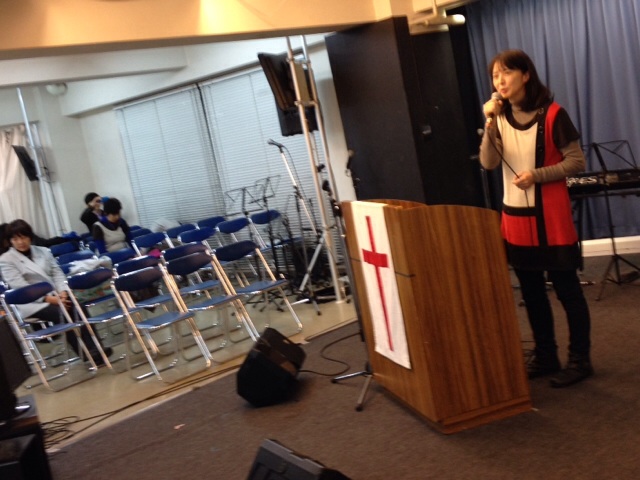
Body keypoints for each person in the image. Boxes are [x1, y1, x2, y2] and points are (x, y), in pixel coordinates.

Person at [479, 49, 593, 388]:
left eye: (506, 73)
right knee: (531, 292)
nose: (500, 81)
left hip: (551, 218)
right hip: (515, 217)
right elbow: (488, 162)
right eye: (495, 76)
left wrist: (537, 175)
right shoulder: (498, 118)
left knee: (567, 291)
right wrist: (489, 123)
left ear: (525, 74)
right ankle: (546, 355)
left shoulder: (555, 115)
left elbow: (577, 162)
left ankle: (580, 359)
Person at [0, 219, 111, 364]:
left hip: (57, 296)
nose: (20, 242)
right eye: (15, 239)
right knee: (64, 313)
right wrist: (49, 299)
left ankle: (97, 348)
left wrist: (63, 292)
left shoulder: (43, 251)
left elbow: (57, 273)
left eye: (23, 237)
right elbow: (20, 286)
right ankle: (86, 353)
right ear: (10, 241)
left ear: (30, 237)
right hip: (31, 302)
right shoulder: (6, 260)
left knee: (79, 308)